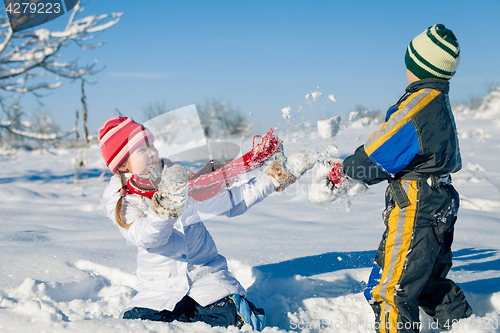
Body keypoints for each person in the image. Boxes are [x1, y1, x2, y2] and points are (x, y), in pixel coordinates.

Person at [322, 24, 472, 332]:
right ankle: (470, 327)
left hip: (418, 204)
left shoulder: (418, 106)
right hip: (440, 198)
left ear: (417, 66)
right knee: (428, 282)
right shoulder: (438, 104)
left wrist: (346, 171)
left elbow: (380, 152)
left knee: (393, 291)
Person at [98, 115, 311, 330]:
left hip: (207, 281)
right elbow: (147, 237)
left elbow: (233, 200)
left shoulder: (182, 180)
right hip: (159, 291)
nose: (152, 152)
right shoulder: (124, 200)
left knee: (239, 320)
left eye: (151, 144)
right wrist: (164, 208)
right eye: (141, 150)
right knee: (136, 326)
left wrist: (275, 177)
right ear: (123, 165)